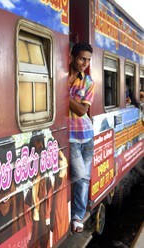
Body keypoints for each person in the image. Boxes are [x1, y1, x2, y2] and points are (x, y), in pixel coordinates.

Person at [67, 42, 95, 233]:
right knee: (79, 175)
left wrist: (62, 96)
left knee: (82, 178)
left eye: (88, 60)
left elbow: (82, 111)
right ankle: (77, 210)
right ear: (72, 56)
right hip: (70, 137)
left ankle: (77, 216)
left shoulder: (89, 82)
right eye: (81, 58)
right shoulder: (61, 76)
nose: (85, 62)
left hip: (86, 136)